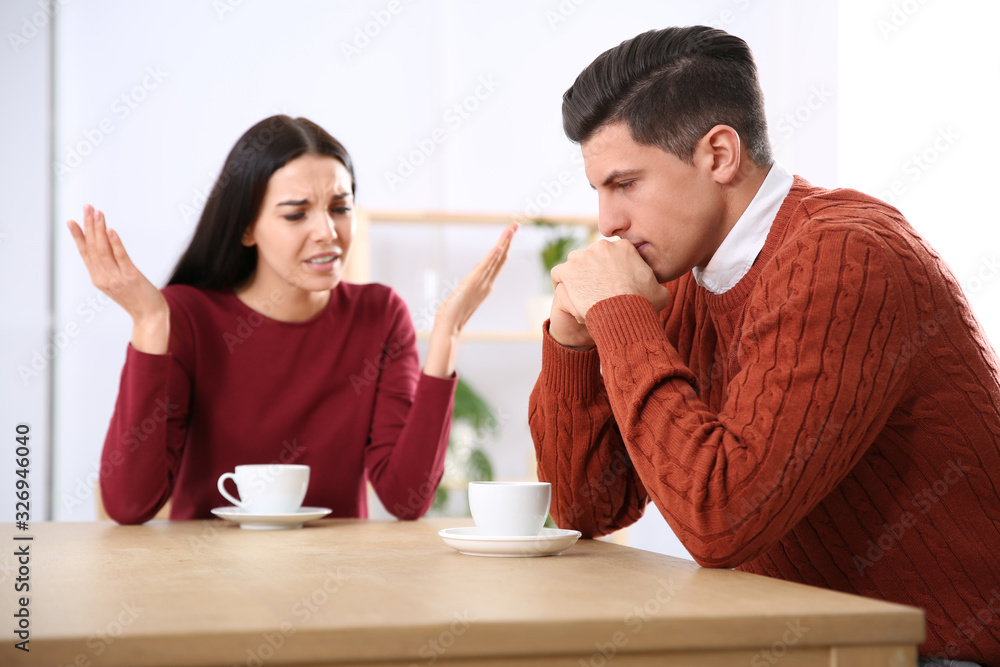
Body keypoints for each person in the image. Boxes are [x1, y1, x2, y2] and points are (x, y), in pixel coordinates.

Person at [528, 26, 1000, 667]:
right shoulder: (687, 274)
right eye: (600, 192)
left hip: (934, 656)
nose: (607, 223)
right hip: (805, 648)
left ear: (719, 154)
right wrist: (574, 342)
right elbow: (584, 508)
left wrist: (620, 315)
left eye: (626, 184)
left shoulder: (847, 258)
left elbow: (719, 518)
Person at [69, 115, 517, 525]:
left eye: (340, 207)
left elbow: (406, 498)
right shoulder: (185, 316)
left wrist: (447, 335)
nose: (326, 231)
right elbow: (129, 505)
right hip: (204, 587)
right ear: (246, 228)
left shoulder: (379, 316)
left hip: (334, 588)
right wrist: (149, 320)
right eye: (297, 213)